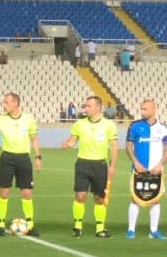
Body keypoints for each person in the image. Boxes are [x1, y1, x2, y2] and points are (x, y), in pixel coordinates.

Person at [0, 92, 41, 236]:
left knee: (27, 193)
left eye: (6, 102)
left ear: (15, 103)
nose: (4, 105)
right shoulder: (1, 119)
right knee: (4, 191)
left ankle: (31, 225)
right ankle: (1, 225)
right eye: (4, 102)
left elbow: (34, 139)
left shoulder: (28, 119)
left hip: (24, 159)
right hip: (7, 158)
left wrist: (38, 157)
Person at [62, 96, 117, 237]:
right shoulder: (79, 124)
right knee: (80, 196)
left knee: (99, 198)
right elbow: (73, 140)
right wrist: (68, 144)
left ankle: (100, 229)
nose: (85, 108)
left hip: (100, 165)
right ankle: (77, 227)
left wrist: (112, 166)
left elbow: (114, 146)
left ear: (98, 107)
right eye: (85, 106)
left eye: (88, 106)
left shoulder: (109, 125)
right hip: (83, 164)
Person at [124, 99, 166, 239]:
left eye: (145, 109)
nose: (142, 111)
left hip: (156, 169)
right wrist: (135, 162)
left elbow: (166, 149)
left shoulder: (163, 128)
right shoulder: (135, 126)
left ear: (154, 109)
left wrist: (160, 164)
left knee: (156, 198)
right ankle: (131, 230)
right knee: (135, 198)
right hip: (139, 169)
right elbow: (128, 146)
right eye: (141, 109)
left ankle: (153, 231)